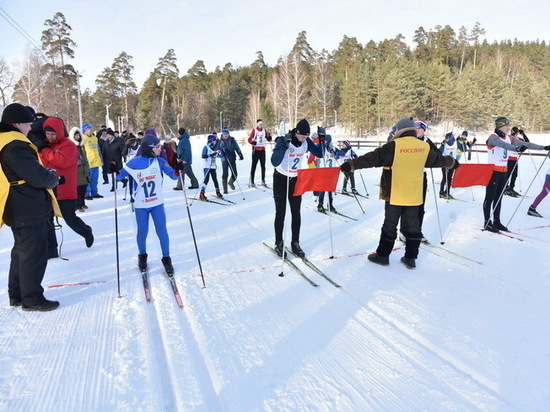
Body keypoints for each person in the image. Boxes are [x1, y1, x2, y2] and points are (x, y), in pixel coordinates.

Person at [339, 117, 457, 269]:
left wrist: (352, 164)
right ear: (413, 131)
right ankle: (410, 258)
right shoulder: (424, 147)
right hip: (415, 194)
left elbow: (373, 158)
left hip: (395, 193)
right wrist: (453, 162)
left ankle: (382, 255)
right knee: (413, 227)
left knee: (390, 225)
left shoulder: (394, 146)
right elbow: (440, 160)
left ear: (399, 131)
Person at [0, 103, 61, 311]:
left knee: (21, 251)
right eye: (28, 123)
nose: (30, 127)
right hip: (26, 205)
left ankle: (17, 294)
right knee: (33, 254)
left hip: (15, 204)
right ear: (16, 123)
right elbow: (36, 175)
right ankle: (32, 298)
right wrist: (52, 177)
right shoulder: (15, 145)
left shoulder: (4, 141)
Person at [117, 134, 179, 273]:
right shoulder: (135, 162)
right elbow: (120, 175)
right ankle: (142, 256)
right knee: (142, 232)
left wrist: (178, 170)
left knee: (162, 231)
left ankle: (166, 259)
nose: (160, 149)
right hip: (141, 205)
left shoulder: (160, 161)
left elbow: (173, 175)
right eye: (157, 147)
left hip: (157, 203)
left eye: (160, 146)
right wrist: (114, 170)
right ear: (149, 148)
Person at [484, 116, 549, 232]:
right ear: (501, 125)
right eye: (506, 125)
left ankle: (496, 221)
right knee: (490, 197)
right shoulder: (493, 138)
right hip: (492, 171)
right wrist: (516, 149)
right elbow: (503, 145)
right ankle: (487, 222)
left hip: (503, 171)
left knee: (498, 198)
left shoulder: (508, 137)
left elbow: (527, 144)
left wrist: (543, 148)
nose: (508, 127)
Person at [271, 119, 323, 258]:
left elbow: (320, 154)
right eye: (301, 136)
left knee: (296, 212)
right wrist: (284, 146)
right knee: (281, 212)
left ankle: (295, 243)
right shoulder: (283, 140)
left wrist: (322, 140)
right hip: (281, 178)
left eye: (306, 137)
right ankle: (278, 242)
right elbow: (274, 161)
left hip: (296, 180)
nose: (303, 139)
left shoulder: (306, 142)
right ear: (296, 133)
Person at [40, 117, 95, 251]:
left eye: (53, 134)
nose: (50, 137)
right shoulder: (45, 145)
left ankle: (86, 231)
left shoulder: (68, 145)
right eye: (47, 134)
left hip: (65, 190)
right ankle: (51, 249)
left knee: (70, 218)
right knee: (47, 220)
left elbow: (61, 161)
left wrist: (45, 151)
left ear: (59, 132)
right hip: (49, 189)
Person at [68, 127, 90, 212]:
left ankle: (82, 203)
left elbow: (85, 156)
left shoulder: (81, 146)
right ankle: (77, 206)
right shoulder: (71, 146)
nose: (77, 137)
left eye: (78, 135)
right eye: (75, 135)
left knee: (83, 187)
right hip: (76, 170)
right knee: (77, 188)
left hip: (83, 169)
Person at [82, 123, 104, 200]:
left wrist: (101, 158)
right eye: (89, 129)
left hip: (96, 162)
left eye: (91, 129)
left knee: (95, 179)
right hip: (88, 162)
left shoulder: (95, 138)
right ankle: (87, 194)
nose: (90, 130)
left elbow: (98, 149)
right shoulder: (83, 139)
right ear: (84, 131)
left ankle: (94, 193)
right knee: (88, 179)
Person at [218, 128, 243, 194]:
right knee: (225, 174)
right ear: (222, 134)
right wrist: (222, 153)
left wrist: (240, 154)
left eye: (226, 134)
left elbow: (236, 147)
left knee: (235, 174)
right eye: (224, 134)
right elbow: (217, 152)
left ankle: (231, 182)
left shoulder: (232, 140)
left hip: (232, 158)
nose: (225, 135)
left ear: (229, 134)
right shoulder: (220, 141)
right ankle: (225, 190)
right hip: (224, 159)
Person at [504, 126, 527, 197]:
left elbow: (527, 142)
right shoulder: (509, 137)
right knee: (507, 174)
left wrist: (523, 134)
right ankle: (505, 188)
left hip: (515, 159)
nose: (515, 133)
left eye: (516, 131)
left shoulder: (519, 139)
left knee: (514, 175)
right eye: (514, 131)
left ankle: (511, 188)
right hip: (509, 159)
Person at [248, 119, 272, 187]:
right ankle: (252, 181)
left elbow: (269, 139)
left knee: (263, 166)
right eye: (260, 124)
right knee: (254, 166)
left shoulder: (264, 130)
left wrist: (269, 136)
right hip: (256, 150)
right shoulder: (254, 130)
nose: (261, 125)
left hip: (262, 150)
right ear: (258, 124)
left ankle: (263, 180)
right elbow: (249, 139)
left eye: (262, 124)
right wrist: (253, 142)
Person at [199, 134, 223, 200]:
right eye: (214, 140)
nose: (215, 142)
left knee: (215, 179)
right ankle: (202, 193)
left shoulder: (215, 148)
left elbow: (218, 155)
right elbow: (203, 156)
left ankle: (218, 192)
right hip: (207, 166)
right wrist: (211, 155)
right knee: (206, 180)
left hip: (213, 166)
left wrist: (223, 155)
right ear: (211, 141)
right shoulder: (206, 147)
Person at [439, 132, 457, 199]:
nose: (446, 139)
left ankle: (447, 192)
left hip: (452, 162)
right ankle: (441, 192)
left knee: (449, 178)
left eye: (448, 138)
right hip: (444, 162)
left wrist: (463, 142)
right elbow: (439, 151)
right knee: (444, 177)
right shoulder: (444, 143)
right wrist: (442, 145)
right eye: (445, 138)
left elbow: (462, 148)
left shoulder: (455, 143)